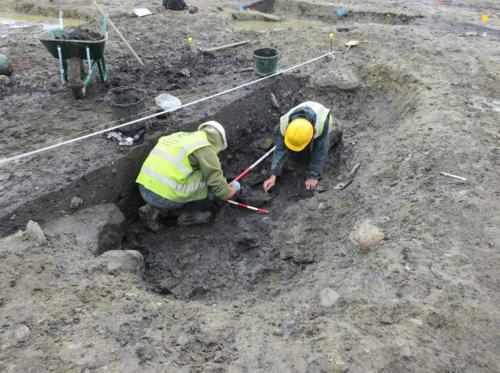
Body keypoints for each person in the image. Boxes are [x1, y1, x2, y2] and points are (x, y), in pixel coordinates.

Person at [136, 121, 240, 231]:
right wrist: (233, 189)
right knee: (208, 180)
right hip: (163, 196)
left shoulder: (181, 136)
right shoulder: (206, 148)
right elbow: (222, 191)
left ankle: (154, 210)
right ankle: (190, 214)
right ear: (219, 143)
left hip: (144, 187)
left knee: (179, 181)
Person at [263, 101, 342, 192]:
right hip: (305, 114)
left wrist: (314, 175)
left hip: (323, 117)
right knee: (278, 133)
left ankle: (336, 134)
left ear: (311, 138)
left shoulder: (321, 126)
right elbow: (280, 149)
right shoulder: (285, 124)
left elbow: (320, 152)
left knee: (314, 152)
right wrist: (273, 175)